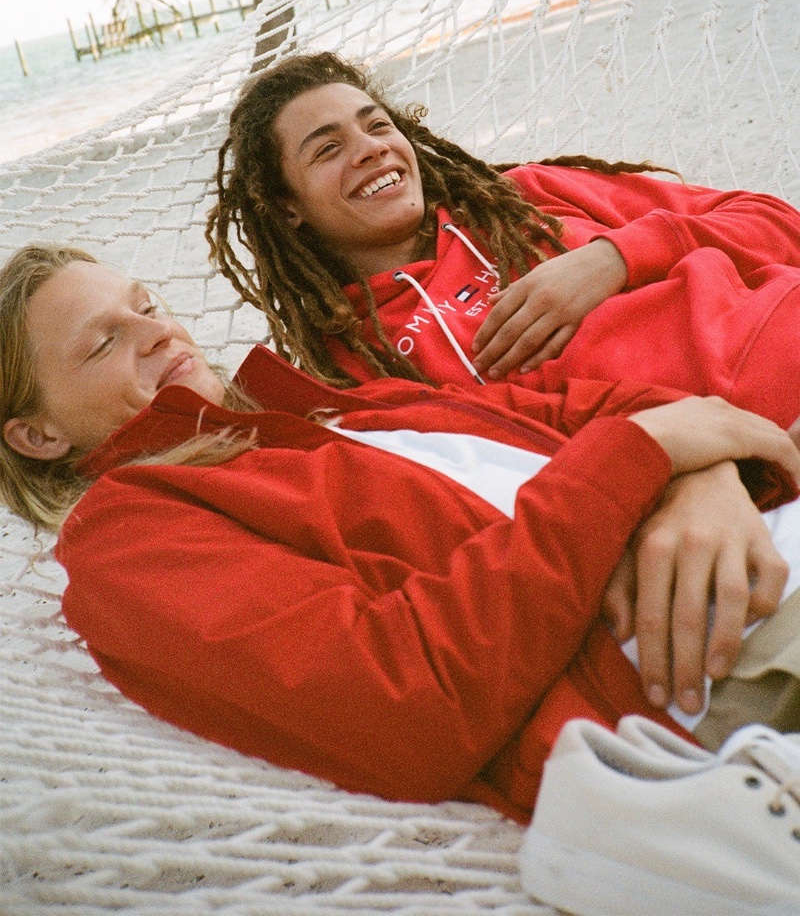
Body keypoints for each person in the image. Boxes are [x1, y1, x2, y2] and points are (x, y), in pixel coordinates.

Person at [2, 243, 799, 822]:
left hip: (749, 546)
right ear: (36, 435)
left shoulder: (327, 410)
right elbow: (408, 703)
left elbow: (602, 409)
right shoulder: (128, 539)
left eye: (144, 305)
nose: (157, 333)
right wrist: (646, 459)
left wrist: (702, 480)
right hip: (692, 670)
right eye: (103, 342)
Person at [206, 51, 800, 430]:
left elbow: (778, 223)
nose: (370, 148)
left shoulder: (521, 196)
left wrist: (616, 258)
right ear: (287, 208)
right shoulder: (355, 370)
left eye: (377, 124)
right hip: (729, 468)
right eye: (328, 148)